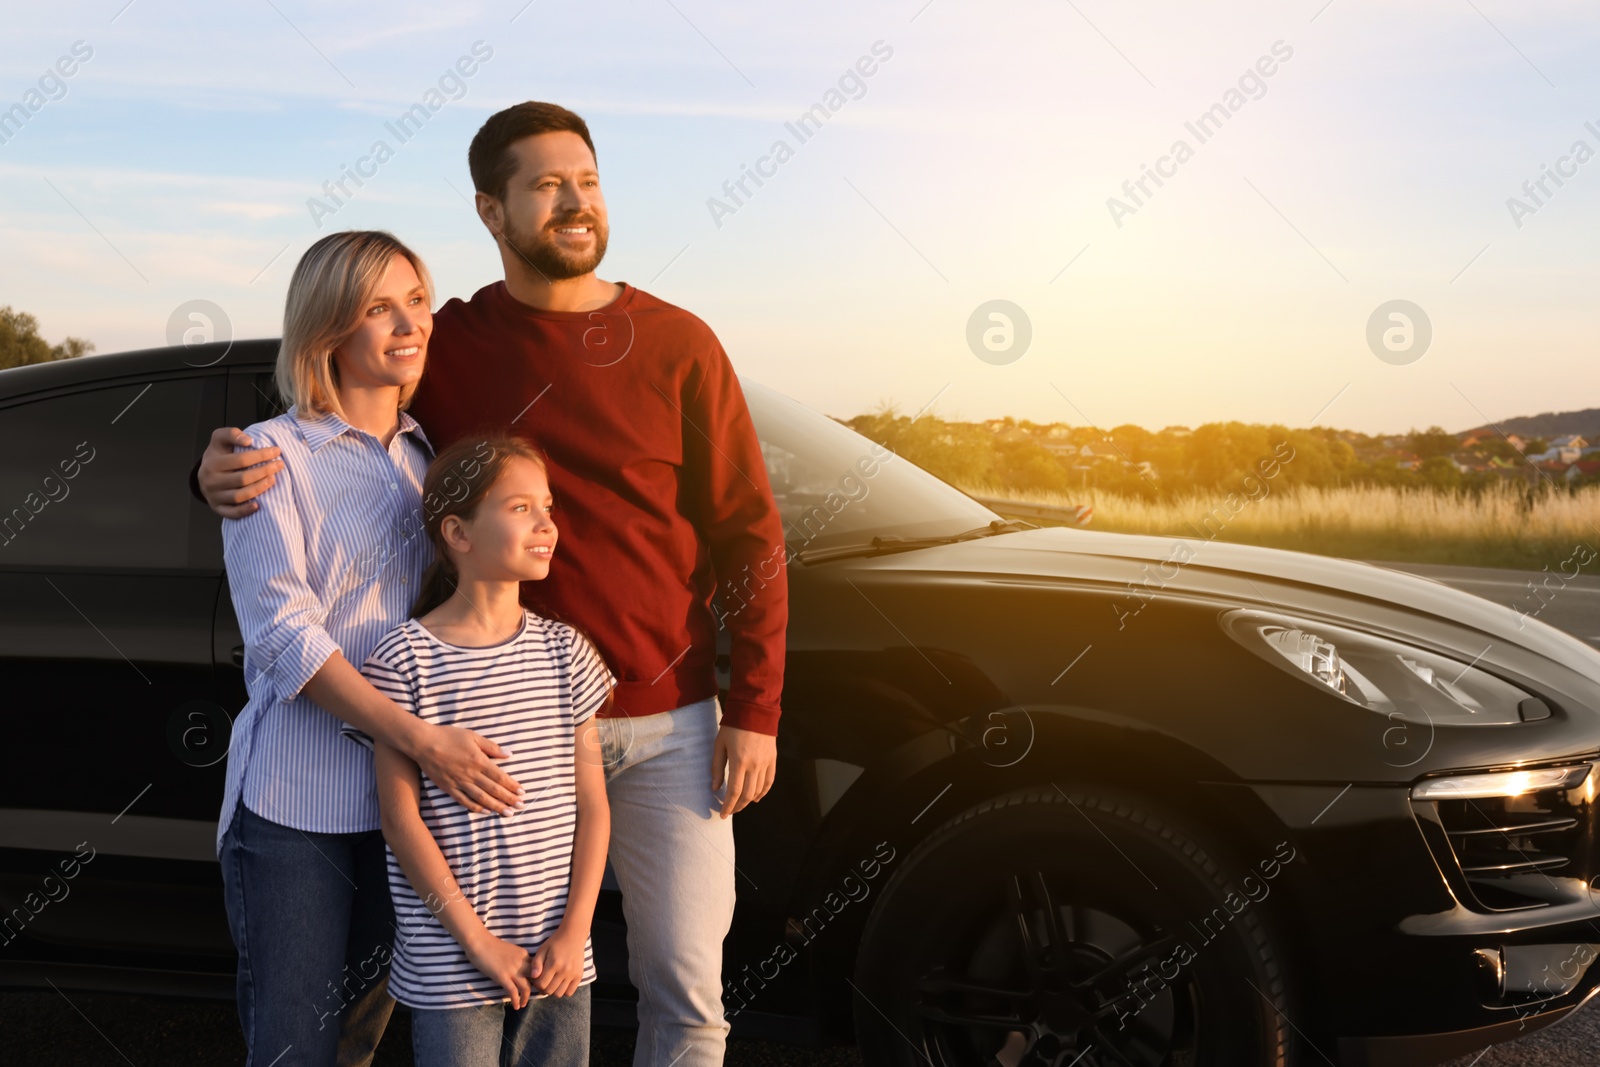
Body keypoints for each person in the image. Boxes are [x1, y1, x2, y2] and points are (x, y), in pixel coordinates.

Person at [196, 102, 788, 1067]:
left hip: (667, 718)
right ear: (492, 209)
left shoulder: (678, 342)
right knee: (451, 984)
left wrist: (755, 706)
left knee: (679, 990)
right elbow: (322, 419)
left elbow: (751, 530)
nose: (574, 201)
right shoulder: (453, 345)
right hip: (494, 720)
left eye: (587, 180)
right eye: (547, 185)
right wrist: (212, 472)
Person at [216, 230, 529, 1066]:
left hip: (411, 811)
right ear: (328, 330)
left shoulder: (436, 459)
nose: (409, 324)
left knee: (357, 1041)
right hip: (297, 808)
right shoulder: (268, 455)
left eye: (417, 302)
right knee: (295, 1049)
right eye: (378, 307)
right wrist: (423, 738)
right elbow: (286, 636)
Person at [346, 433, 612, 1067]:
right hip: (453, 960)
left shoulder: (565, 654)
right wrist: (477, 942)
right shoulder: (402, 661)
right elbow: (400, 821)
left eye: (548, 507)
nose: (546, 524)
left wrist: (575, 934)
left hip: (559, 956)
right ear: (458, 534)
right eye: (520, 508)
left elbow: (594, 809)